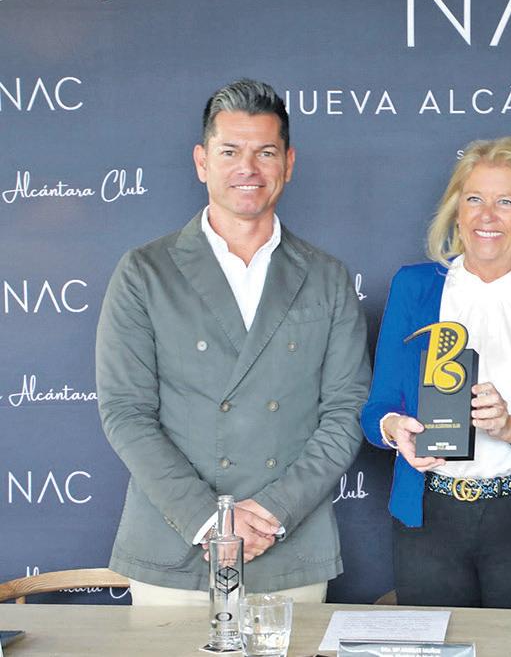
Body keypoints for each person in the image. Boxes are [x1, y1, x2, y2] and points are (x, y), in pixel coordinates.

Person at [96, 78, 370, 605]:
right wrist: (210, 521)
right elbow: (126, 413)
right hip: (176, 544)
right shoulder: (145, 272)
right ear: (202, 162)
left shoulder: (328, 277)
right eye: (230, 152)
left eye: (265, 152)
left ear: (288, 163)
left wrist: (271, 513)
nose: (248, 167)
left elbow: (346, 410)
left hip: (287, 544)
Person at [361, 136, 511, 609]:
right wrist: (394, 429)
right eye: (474, 199)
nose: (486, 216)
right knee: (434, 641)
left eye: (505, 202)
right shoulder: (414, 287)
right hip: (428, 515)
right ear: (456, 211)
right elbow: (376, 411)